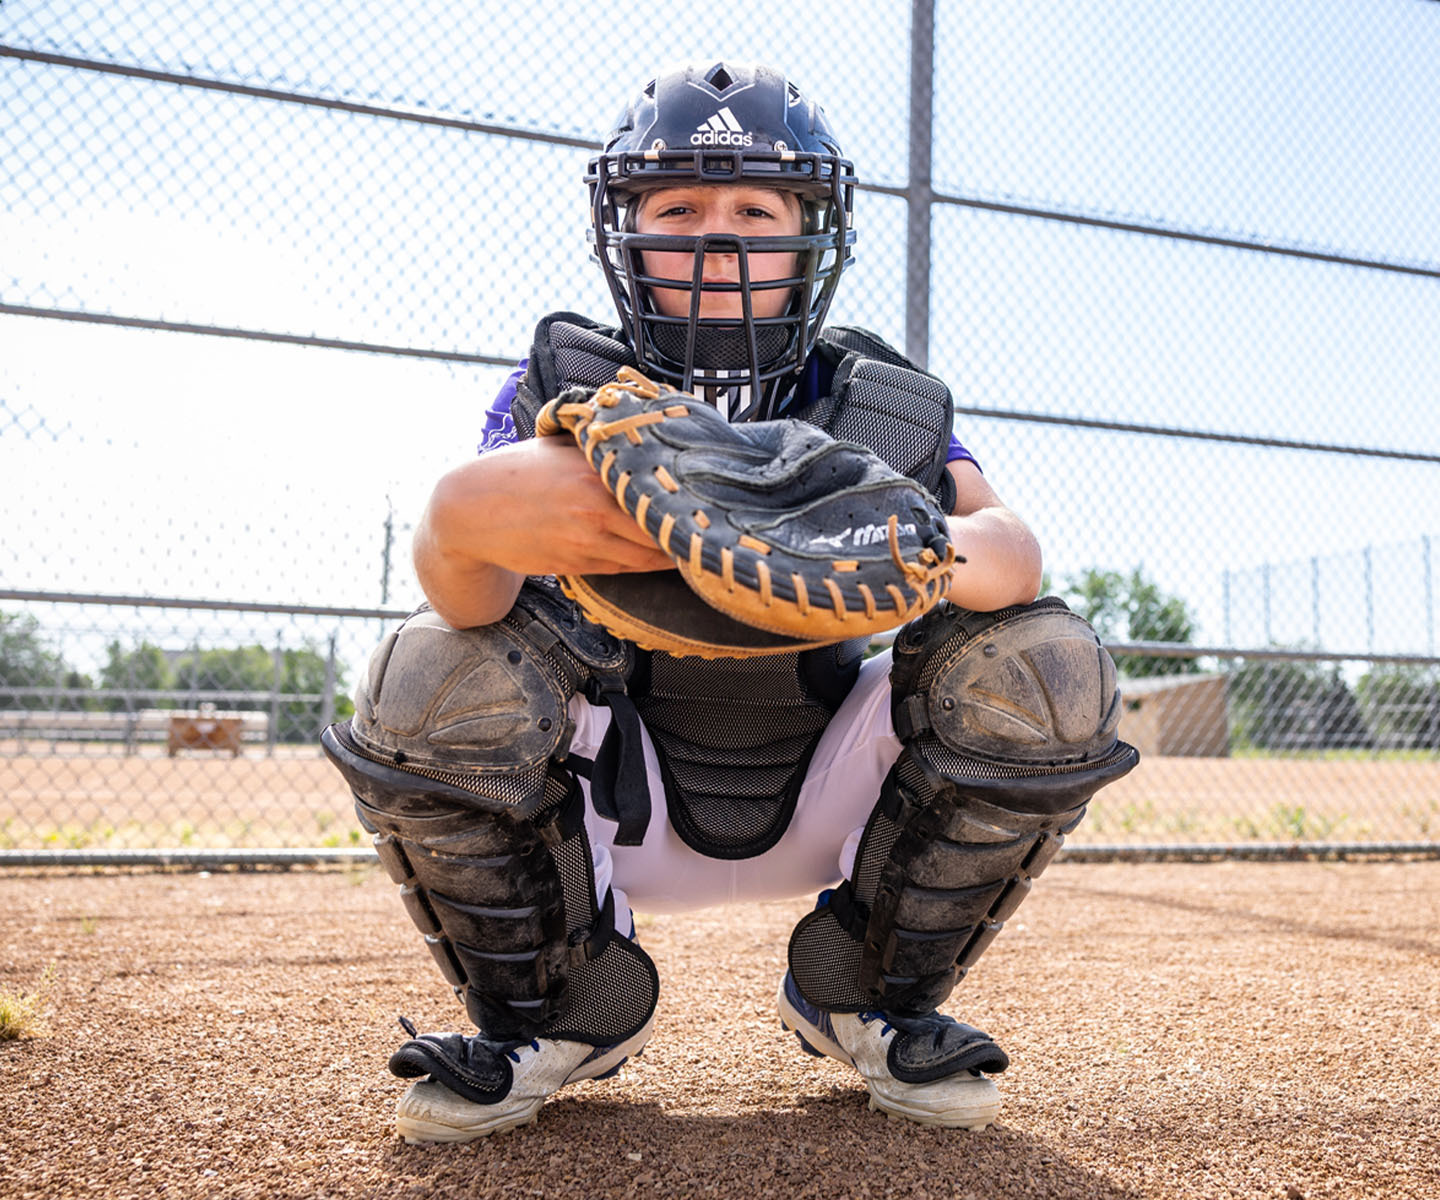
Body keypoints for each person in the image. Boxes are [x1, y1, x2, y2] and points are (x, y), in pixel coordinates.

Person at [322, 60, 1136, 1144]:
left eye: (754, 207)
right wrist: (456, 520)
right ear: (627, 231)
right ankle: (553, 1012)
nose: (717, 236)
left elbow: (1012, 552)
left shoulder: (872, 406)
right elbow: (468, 601)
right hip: (615, 800)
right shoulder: (562, 390)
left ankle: (872, 993)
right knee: (427, 672)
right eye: (678, 207)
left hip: (830, 789)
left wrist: (880, 542)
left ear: (812, 232)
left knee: (1045, 663)